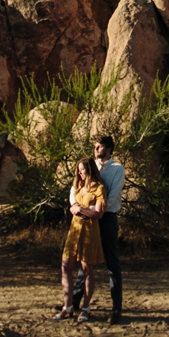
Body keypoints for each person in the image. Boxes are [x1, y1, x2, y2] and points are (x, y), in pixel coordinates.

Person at [55, 157, 105, 322]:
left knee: (87, 269)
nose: (80, 174)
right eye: (79, 171)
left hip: (90, 230)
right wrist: (76, 209)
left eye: (83, 171)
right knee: (66, 265)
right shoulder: (78, 187)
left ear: (90, 170)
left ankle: (86, 307)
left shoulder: (99, 188)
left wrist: (80, 210)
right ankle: (67, 305)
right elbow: (72, 207)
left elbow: (99, 213)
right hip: (75, 229)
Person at [94, 135, 125, 325]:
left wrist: (96, 211)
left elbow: (113, 196)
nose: (97, 149)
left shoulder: (117, 169)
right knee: (85, 261)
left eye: (100, 146)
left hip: (107, 218)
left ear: (109, 149)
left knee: (112, 262)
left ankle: (116, 308)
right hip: (91, 218)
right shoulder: (92, 167)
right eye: (96, 146)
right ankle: (73, 303)